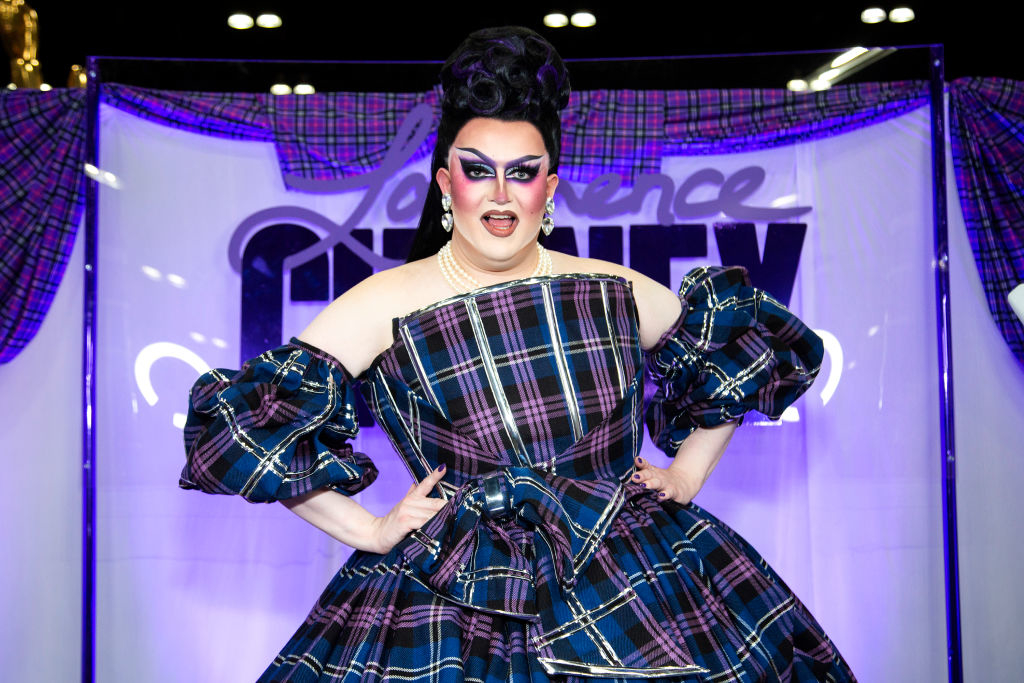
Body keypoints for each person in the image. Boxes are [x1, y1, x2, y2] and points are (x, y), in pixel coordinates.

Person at [181, 26, 856, 682]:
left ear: (550, 188)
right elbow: (241, 429)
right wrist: (371, 528)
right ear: (446, 185)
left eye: (522, 173)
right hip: (450, 600)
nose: (500, 194)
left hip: (642, 579)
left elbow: (743, 345)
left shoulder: (610, 290)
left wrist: (686, 475)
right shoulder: (383, 302)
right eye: (478, 172)